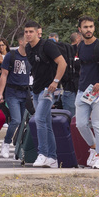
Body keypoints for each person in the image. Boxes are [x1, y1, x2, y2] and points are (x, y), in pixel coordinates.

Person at [73, 16, 99, 169]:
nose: (88, 29)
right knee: (80, 124)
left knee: (97, 124)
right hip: (83, 91)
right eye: (85, 27)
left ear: (94, 28)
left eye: (91, 26)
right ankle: (93, 148)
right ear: (80, 29)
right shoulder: (81, 46)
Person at [25, 20, 66, 168]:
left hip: (48, 89)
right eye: (26, 32)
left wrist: (55, 82)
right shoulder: (28, 48)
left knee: (40, 119)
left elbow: (63, 63)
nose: (28, 34)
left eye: (31, 31)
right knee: (46, 123)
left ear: (38, 32)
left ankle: (42, 154)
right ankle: (52, 158)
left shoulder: (47, 45)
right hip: (36, 89)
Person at [0, 36, 32, 158]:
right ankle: (6, 143)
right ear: (21, 41)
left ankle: (19, 145)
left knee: (23, 121)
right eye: (27, 40)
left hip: (25, 92)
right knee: (16, 120)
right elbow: (4, 75)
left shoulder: (31, 56)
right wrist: (0, 93)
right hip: (12, 92)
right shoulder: (11, 56)